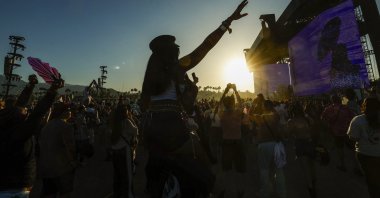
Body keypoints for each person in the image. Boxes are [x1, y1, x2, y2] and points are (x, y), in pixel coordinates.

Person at [140, 1, 248, 197]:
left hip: (152, 130)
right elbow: (205, 47)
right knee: (204, 163)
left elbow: (143, 105)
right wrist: (228, 22)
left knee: (158, 177)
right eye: (175, 46)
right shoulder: (177, 67)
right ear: (170, 52)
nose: (178, 46)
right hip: (172, 127)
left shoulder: (149, 77)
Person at [0, 76, 64, 198]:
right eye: (24, 110)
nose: (26, 110)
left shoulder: (7, 126)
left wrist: (30, 87)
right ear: (16, 116)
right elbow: (38, 113)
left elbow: (19, 106)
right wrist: (52, 90)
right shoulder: (19, 133)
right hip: (15, 192)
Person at [39, 102, 77, 198]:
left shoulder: (47, 126)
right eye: (68, 110)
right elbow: (70, 147)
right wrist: (73, 162)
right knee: (64, 193)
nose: (70, 111)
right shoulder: (66, 126)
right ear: (63, 112)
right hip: (62, 168)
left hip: (46, 167)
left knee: (50, 194)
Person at [215, 83, 246, 198]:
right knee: (239, 169)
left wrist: (225, 91)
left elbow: (219, 104)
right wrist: (235, 90)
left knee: (226, 169)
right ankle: (240, 191)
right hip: (238, 142)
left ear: (225, 104)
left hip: (226, 143)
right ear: (233, 103)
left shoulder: (222, 115)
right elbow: (242, 104)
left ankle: (225, 190)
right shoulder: (238, 113)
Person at [250, 100, 287, 198]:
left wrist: (254, 105)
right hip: (275, 145)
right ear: (272, 107)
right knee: (278, 170)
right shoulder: (276, 116)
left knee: (264, 170)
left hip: (263, 145)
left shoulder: (260, 118)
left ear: (263, 107)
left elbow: (249, 114)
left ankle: (265, 193)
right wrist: (271, 107)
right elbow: (276, 115)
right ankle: (282, 193)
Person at [347, 97, 380, 198]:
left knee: (371, 181)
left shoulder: (357, 120)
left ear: (364, 107)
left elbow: (353, 137)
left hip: (365, 155)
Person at [287, 103, 317, 198]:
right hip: (310, 142)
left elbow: (287, 133)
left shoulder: (292, 121)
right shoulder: (308, 119)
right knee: (311, 164)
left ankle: (310, 187)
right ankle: (313, 181)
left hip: (300, 144)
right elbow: (314, 130)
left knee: (305, 167)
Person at [110, 102, 138, 198]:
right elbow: (135, 131)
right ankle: (129, 195)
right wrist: (131, 118)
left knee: (117, 174)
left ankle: (118, 193)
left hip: (115, 151)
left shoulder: (114, 122)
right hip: (124, 151)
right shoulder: (126, 121)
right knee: (128, 175)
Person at [321, 94, 355, 171]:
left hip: (336, 132)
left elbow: (322, 118)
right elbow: (353, 117)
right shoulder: (346, 108)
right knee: (352, 149)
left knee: (340, 149)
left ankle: (343, 165)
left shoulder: (328, 109)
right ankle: (356, 166)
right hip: (347, 131)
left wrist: (329, 126)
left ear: (332, 100)